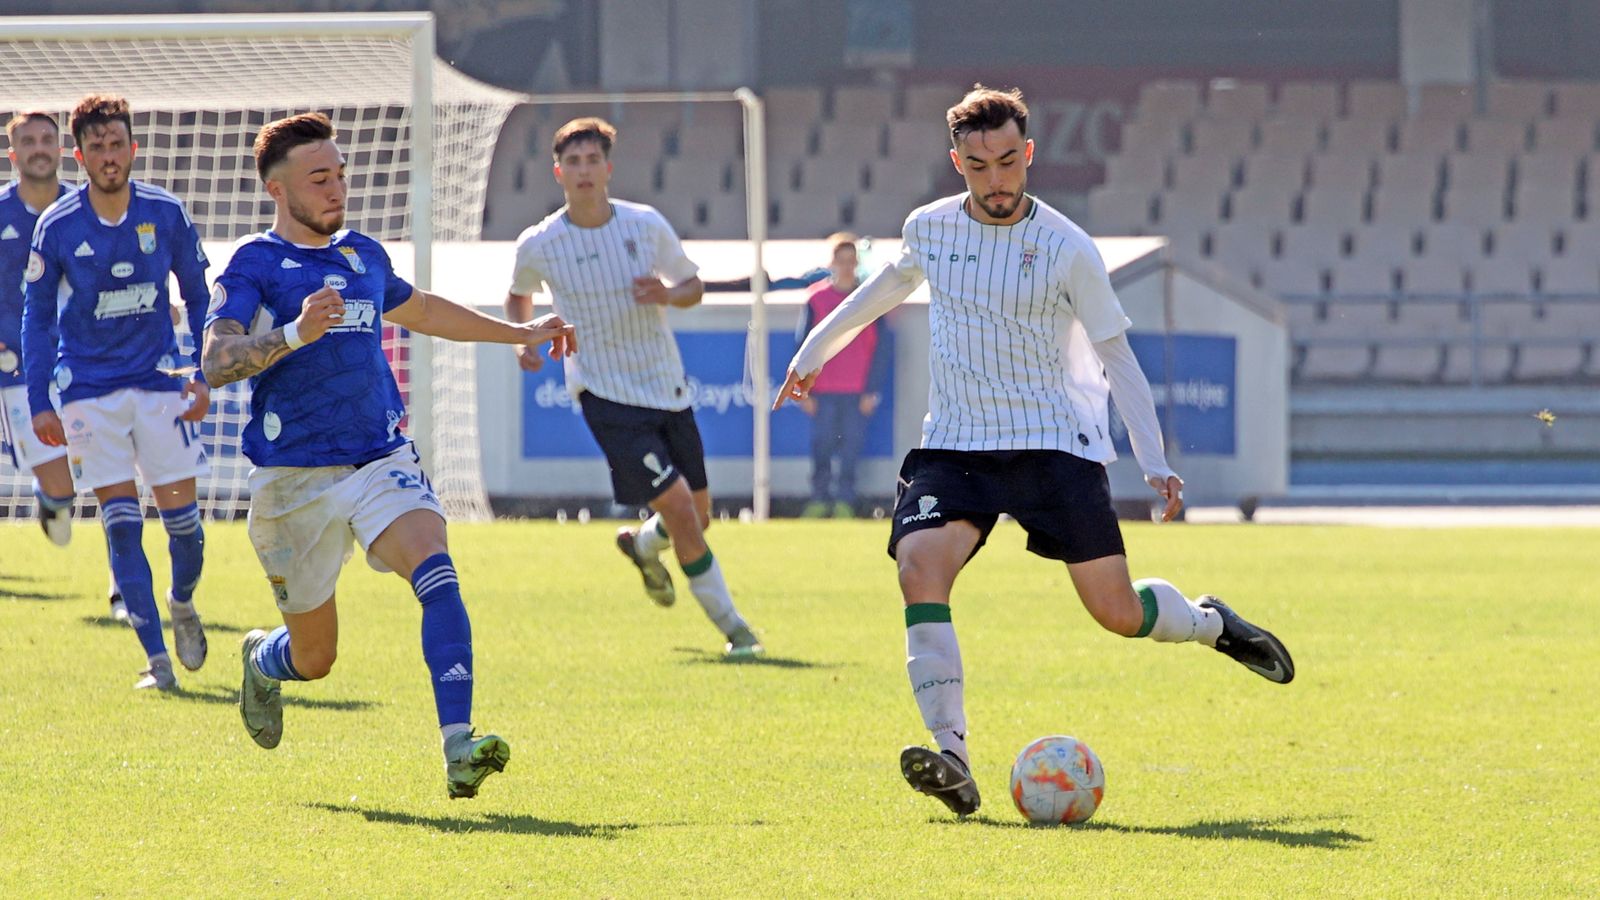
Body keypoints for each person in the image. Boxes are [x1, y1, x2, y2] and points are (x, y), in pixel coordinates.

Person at [775, 86, 1295, 817]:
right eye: (980, 164)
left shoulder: (1067, 247)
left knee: (1115, 612)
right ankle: (952, 753)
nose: (996, 179)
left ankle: (1211, 623)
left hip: (1055, 446)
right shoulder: (928, 229)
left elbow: (1117, 355)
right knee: (919, 566)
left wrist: (1153, 459)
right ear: (957, 161)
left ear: (1030, 155)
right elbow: (883, 290)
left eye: (1009, 161)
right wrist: (812, 353)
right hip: (955, 443)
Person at [202, 112, 575, 799]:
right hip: (293, 480)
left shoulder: (364, 256)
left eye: (341, 174)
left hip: (379, 457)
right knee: (315, 660)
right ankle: (263, 660)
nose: (338, 188)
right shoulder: (254, 264)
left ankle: (458, 746)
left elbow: (426, 310)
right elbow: (218, 360)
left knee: (436, 566)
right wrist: (291, 333)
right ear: (278, 191)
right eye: (320, 178)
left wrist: (519, 330)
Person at [504, 116, 763, 659]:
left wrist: (668, 294)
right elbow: (518, 294)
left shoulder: (644, 225)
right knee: (684, 515)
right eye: (572, 162)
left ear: (608, 168)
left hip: (666, 386)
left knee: (698, 513)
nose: (583, 171)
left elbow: (693, 286)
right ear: (558, 172)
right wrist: (522, 341)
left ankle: (643, 545)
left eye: (592, 160)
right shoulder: (541, 242)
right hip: (602, 392)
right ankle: (737, 631)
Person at [22, 95, 212, 690]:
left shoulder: (167, 212)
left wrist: (202, 373)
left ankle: (181, 601)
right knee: (121, 522)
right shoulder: (56, 226)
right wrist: (38, 400)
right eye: (96, 147)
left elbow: (202, 296)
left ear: (134, 148)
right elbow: (38, 320)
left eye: (117, 145)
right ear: (79, 157)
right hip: (88, 391)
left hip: (161, 384)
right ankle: (158, 662)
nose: (109, 157)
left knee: (186, 528)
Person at [794, 232, 890, 518]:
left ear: (857, 262)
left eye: (851, 260)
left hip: (856, 389)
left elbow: (881, 349)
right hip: (822, 388)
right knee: (821, 446)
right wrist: (803, 390)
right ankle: (820, 498)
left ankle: (846, 500)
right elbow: (803, 346)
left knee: (851, 448)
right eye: (841, 260)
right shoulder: (816, 299)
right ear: (832, 262)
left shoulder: (870, 297)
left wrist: (872, 389)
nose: (846, 266)